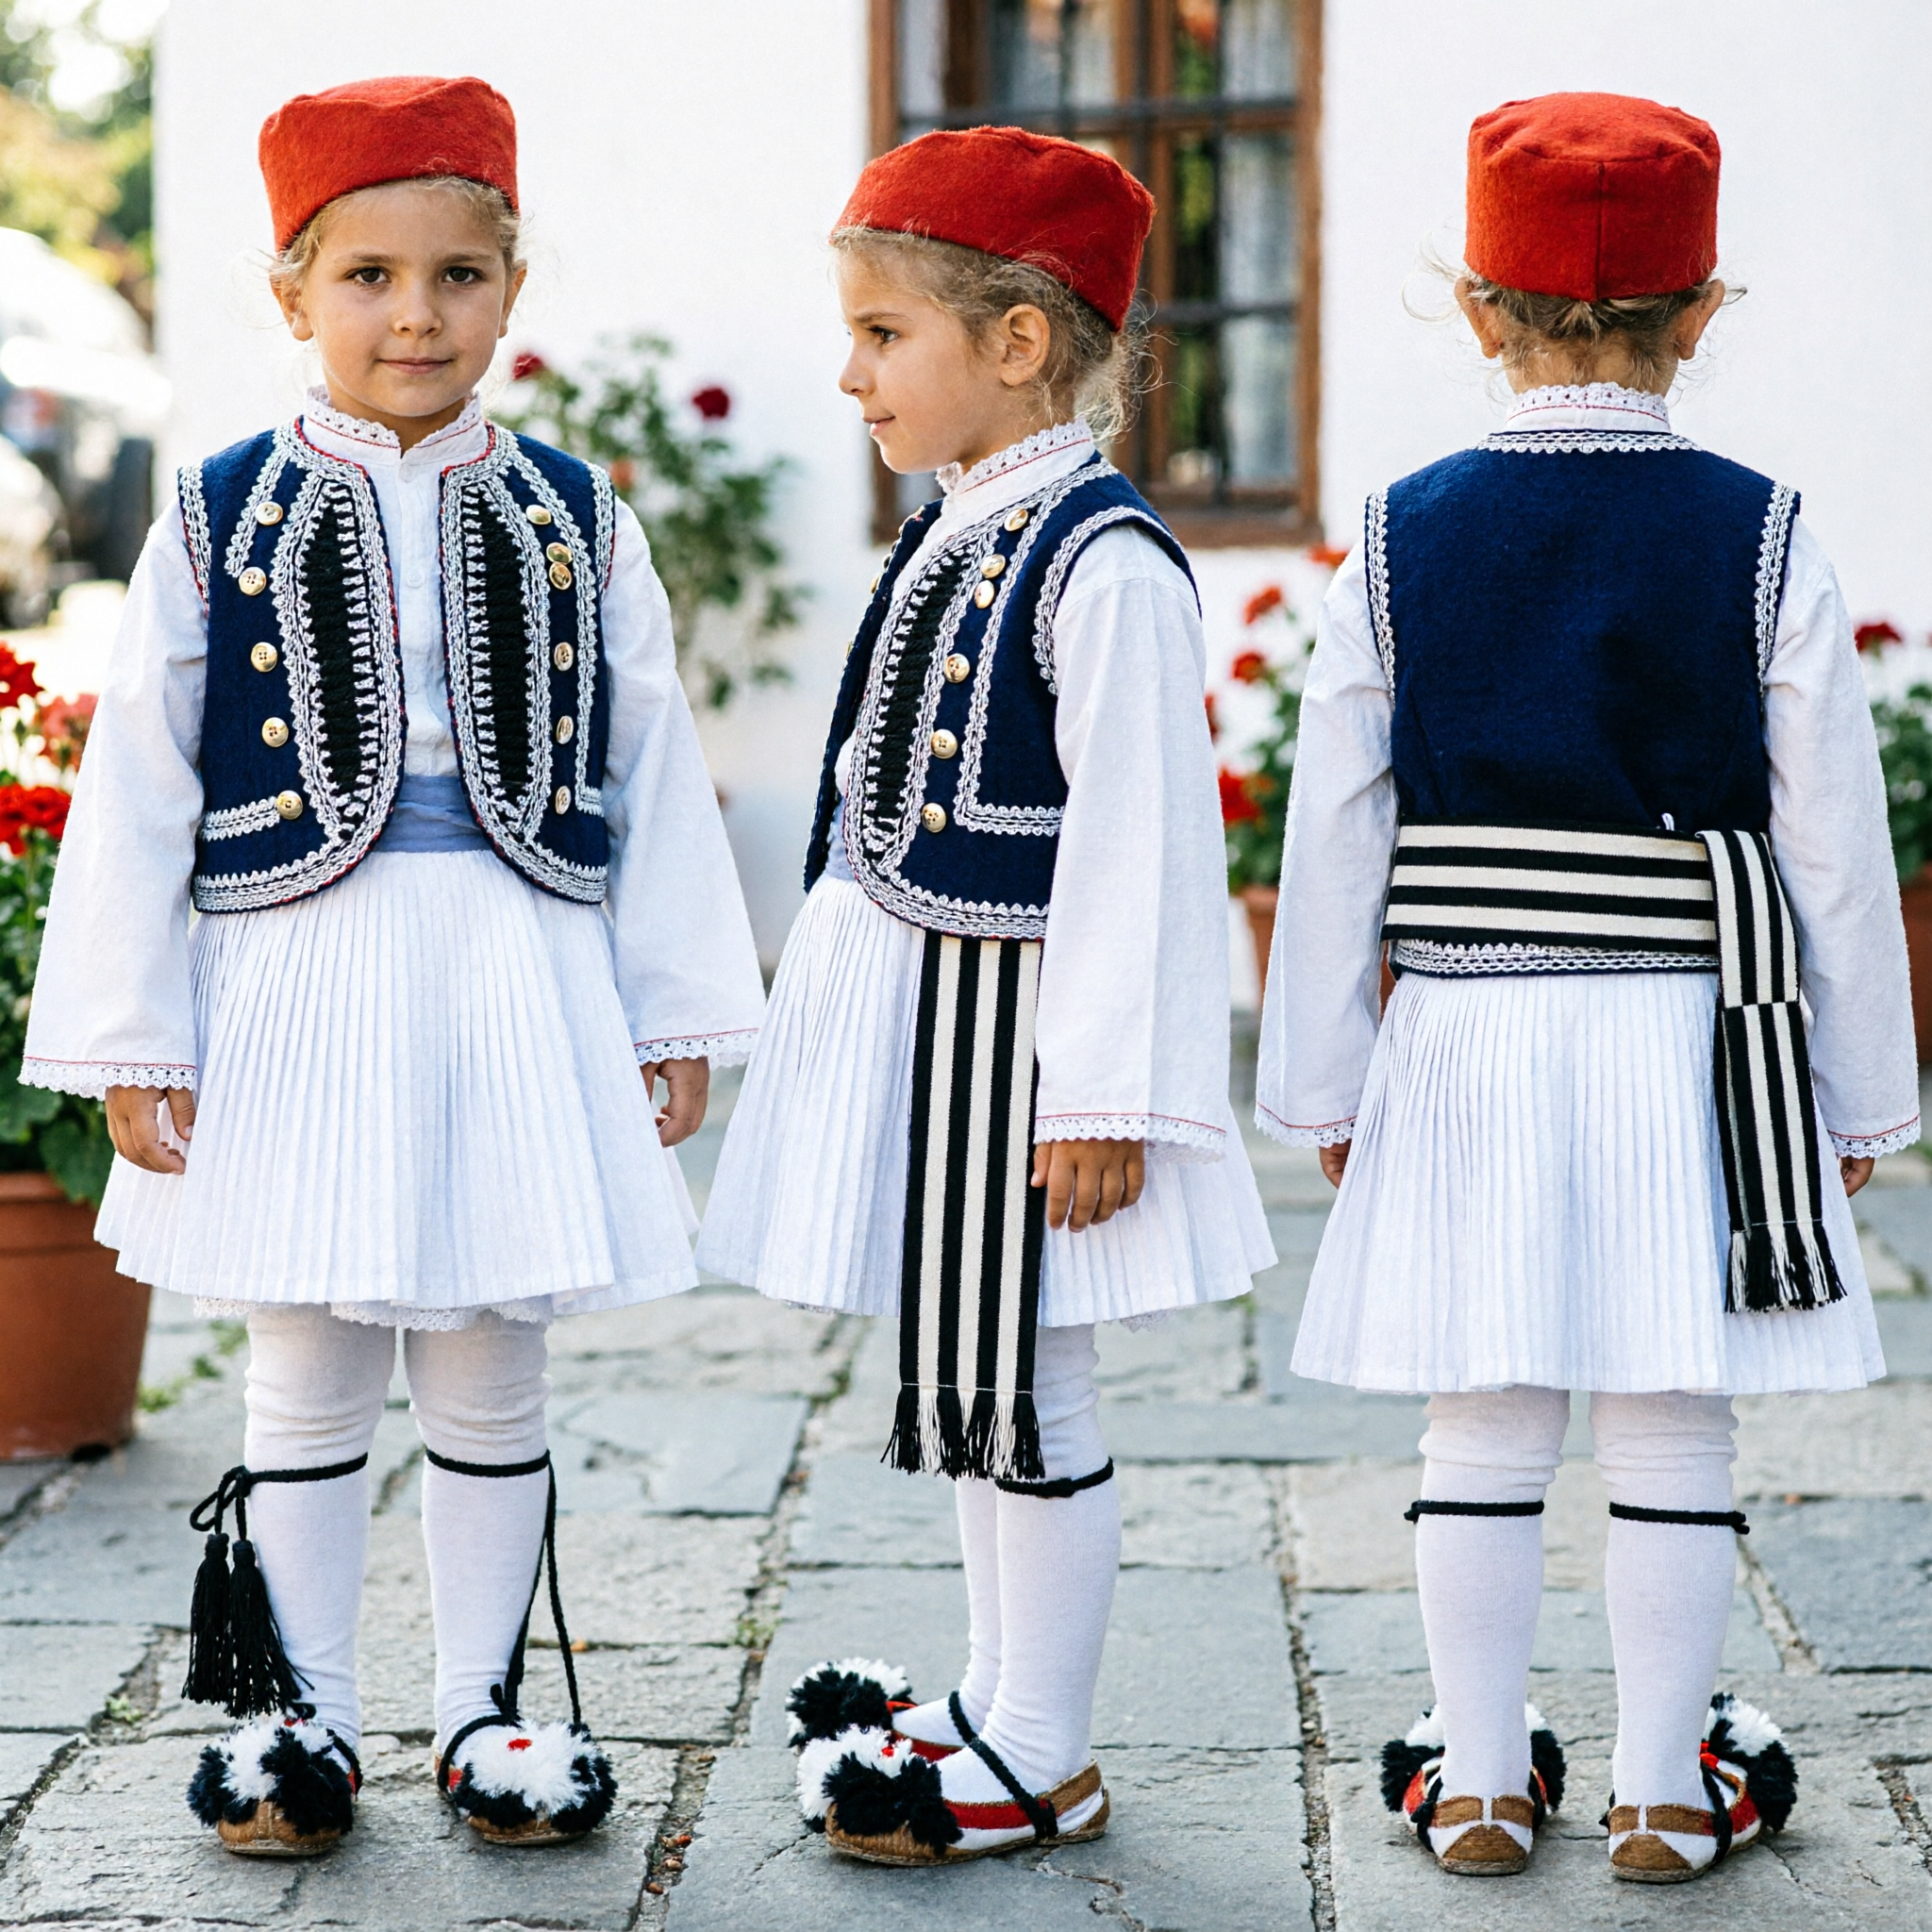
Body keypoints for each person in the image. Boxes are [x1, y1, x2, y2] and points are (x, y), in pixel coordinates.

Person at [23, 75, 763, 1857]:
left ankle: (491, 1715)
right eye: (366, 275)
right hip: (297, 974)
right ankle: (304, 1720)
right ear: (292, 296)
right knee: (308, 1360)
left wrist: (673, 1003)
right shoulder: (216, 513)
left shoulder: (581, 512)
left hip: (515, 967)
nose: (412, 314)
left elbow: (648, 758)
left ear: (513, 288)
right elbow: (138, 773)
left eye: (455, 274)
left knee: (494, 1361)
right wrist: (134, 1027)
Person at [1258, 92, 1913, 1884]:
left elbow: (1339, 830)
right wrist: (1856, 1096)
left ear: (1475, 307)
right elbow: (1836, 848)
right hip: (1690, 1031)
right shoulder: (1766, 533)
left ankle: (1474, 1776)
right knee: (1670, 1411)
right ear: (1702, 310)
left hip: (1468, 1020)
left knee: (1480, 1404)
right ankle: (1658, 1784)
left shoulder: (1396, 536)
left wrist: (1325, 1081)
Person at [697, 125, 1274, 1863]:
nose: (852, 369)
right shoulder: (959, 527)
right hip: (935, 1019)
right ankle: (991, 1691)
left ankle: (1047, 1739)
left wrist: (1106, 1094)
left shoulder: (1101, 562)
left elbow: (1146, 858)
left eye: (886, 334)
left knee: (1035, 1382)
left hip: (1023, 1051)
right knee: (975, 1370)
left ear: (1017, 346)